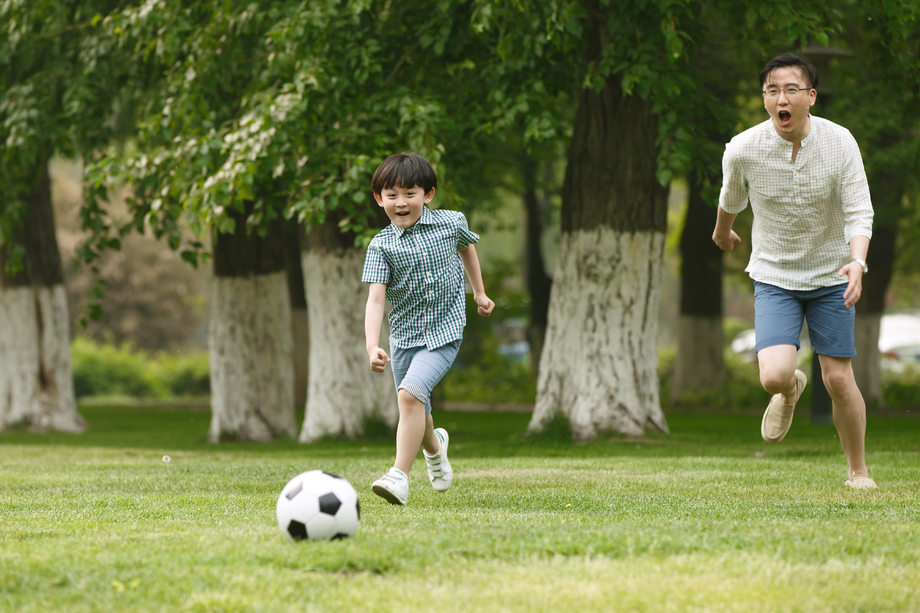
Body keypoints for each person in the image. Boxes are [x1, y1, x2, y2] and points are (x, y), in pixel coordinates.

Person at [712, 53, 877, 489]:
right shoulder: (743, 148)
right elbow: (730, 198)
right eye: (771, 91)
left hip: (832, 276)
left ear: (811, 97)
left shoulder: (840, 142)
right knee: (773, 376)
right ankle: (789, 390)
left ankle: (857, 471)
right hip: (774, 275)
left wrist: (857, 263)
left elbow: (860, 210)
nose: (780, 98)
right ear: (764, 100)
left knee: (839, 379)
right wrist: (722, 234)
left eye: (790, 90)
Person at [363, 152, 495, 505]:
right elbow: (376, 300)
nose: (401, 202)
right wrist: (371, 345)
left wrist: (479, 293)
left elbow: (468, 248)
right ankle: (435, 449)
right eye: (391, 195)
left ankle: (399, 477)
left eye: (410, 193)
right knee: (416, 406)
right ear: (379, 199)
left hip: (444, 332)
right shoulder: (381, 246)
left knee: (409, 397)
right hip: (405, 338)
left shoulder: (451, 223)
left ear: (428, 194)